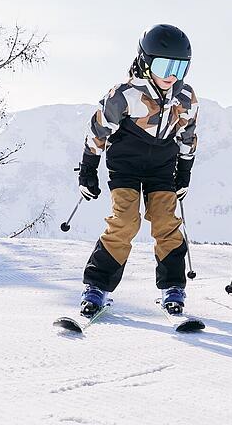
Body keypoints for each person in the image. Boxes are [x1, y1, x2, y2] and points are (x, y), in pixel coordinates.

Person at [75, 24, 199, 317]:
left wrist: (185, 170)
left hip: (162, 169)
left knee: (166, 223)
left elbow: (188, 135)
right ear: (145, 62)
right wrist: (88, 169)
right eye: (164, 65)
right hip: (126, 168)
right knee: (125, 222)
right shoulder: (124, 94)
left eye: (180, 68)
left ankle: (173, 288)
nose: (171, 75)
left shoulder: (185, 98)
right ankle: (96, 286)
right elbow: (99, 129)